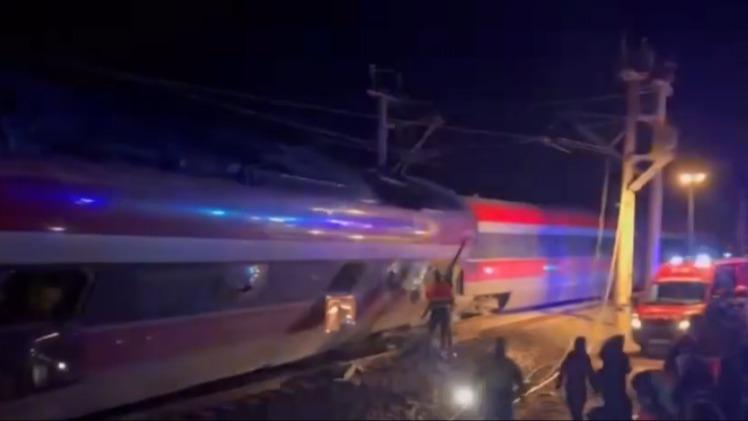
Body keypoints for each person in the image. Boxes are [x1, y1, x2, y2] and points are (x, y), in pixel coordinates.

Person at [480, 338, 525, 420]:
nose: (499, 350)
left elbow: (519, 379)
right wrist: (521, 394)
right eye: (498, 347)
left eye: (501, 347)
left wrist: (521, 394)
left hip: (502, 398)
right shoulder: (489, 363)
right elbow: (519, 380)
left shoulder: (508, 364)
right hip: (494, 397)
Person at [557, 337, 596, 420]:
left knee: (575, 411)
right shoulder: (584, 357)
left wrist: (559, 382)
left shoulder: (571, 356)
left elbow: (562, 369)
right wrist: (596, 386)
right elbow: (590, 373)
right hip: (579, 389)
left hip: (571, 388)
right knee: (578, 411)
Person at [597, 335, 632, 420]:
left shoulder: (607, 353)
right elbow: (627, 369)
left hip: (608, 385)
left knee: (611, 404)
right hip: (618, 385)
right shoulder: (622, 356)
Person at [424, 270, 454, 352]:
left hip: (436, 311)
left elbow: (429, 298)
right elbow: (451, 300)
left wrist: (425, 314)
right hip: (445, 311)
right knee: (444, 331)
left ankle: (427, 347)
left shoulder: (434, 287)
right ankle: (445, 347)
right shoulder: (446, 286)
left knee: (431, 329)